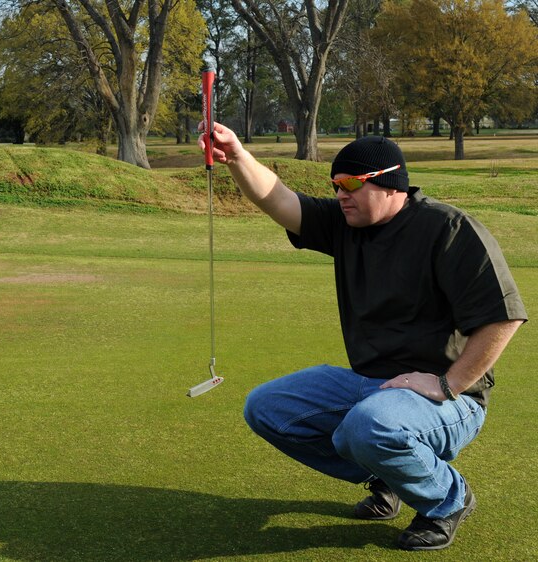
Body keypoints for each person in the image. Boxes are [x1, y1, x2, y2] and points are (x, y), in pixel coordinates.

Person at [200, 122, 527, 551]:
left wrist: (449, 383)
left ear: (391, 184)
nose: (340, 194)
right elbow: (278, 198)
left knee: (369, 424)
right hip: (372, 385)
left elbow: (503, 317)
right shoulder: (345, 223)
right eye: (335, 184)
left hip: (450, 398)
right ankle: (391, 478)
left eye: (351, 184)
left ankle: (448, 500)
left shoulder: (447, 229)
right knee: (267, 407)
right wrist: (238, 156)